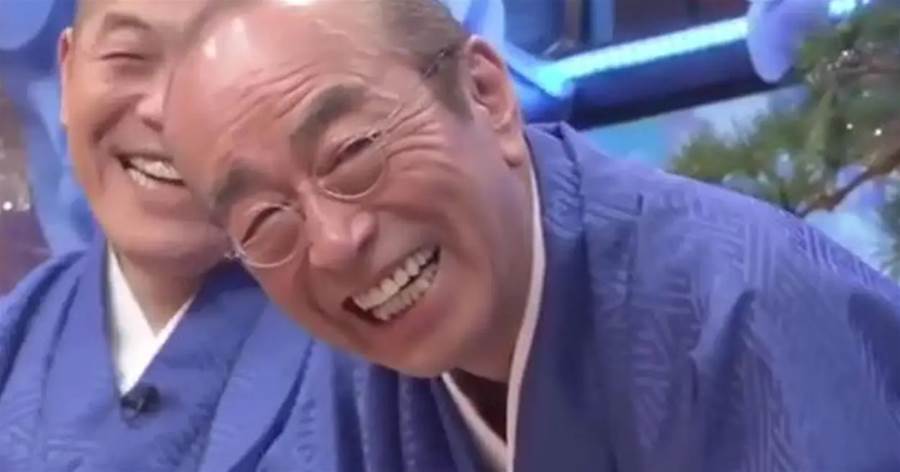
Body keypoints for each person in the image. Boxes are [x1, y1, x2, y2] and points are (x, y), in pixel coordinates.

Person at [165, 0, 900, 471]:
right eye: (264, 221)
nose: (333, 242)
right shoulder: (344, 394)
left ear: (486, 94)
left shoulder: (750, 310)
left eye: (352, 154)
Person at [0, 1, 483, 470]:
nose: (165, 111)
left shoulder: (394, 338)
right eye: (129, 57)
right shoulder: (18, 332)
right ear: (67, 71)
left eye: (218, 67)